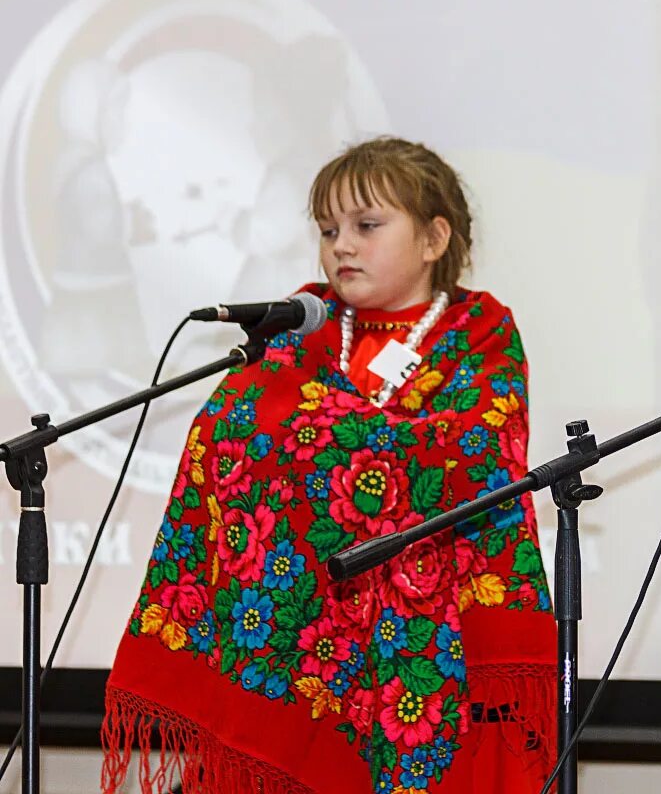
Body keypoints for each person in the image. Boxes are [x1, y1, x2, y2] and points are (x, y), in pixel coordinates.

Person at [102, 137, 557, 793]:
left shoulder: (479, 332)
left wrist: (321, 440)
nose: (341, 245)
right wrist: (349, 446)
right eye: (327, 229)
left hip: (437, 655)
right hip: (299, 659)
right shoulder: (297, 330)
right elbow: (229, 437)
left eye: (367, 226)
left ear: (434, 239)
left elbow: (474, 454)